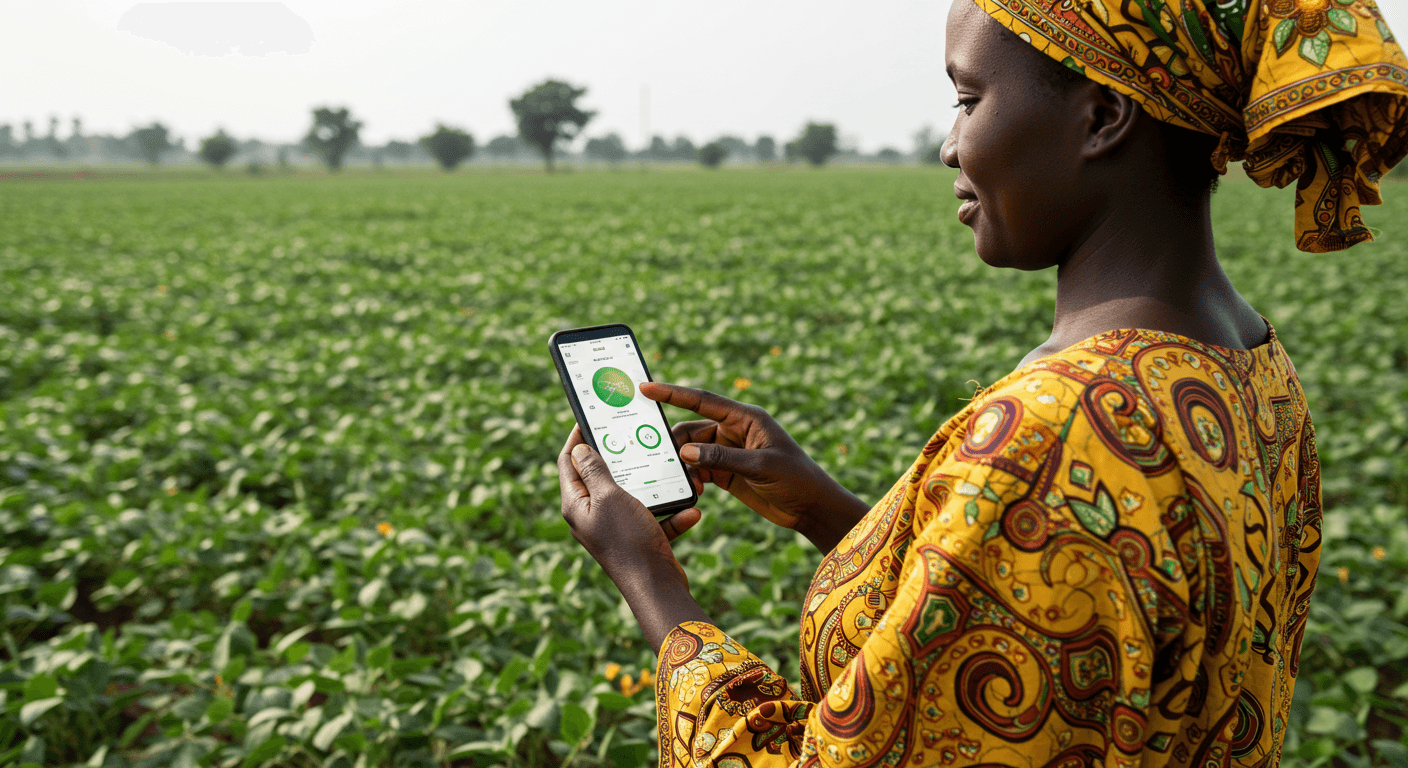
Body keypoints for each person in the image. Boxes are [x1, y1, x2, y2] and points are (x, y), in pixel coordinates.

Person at [557, 0, 1407, 763]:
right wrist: (822, 509)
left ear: (1102, 116)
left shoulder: (1057, 430)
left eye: (969, 99)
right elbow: (1060, 623)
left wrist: (652, 585)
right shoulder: (1243, 361)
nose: (949, 143)